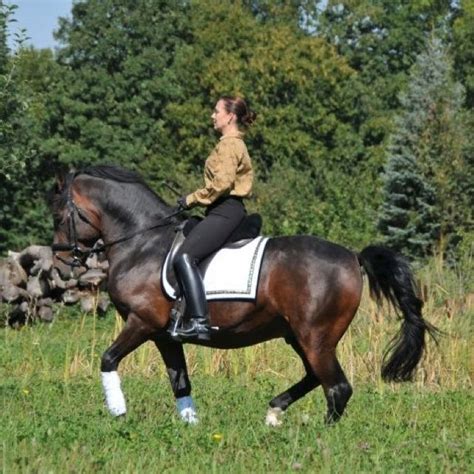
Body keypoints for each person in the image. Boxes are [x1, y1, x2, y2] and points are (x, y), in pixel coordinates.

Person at [172, 96, 256, 340]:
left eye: (216, 111)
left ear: (230, 116)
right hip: (220, 209)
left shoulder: (230, 145)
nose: (212, 115)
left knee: (185, 257)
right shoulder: (226, 143)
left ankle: (199, 321)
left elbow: (222, 183)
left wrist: (191, 199)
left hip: (226, 210)